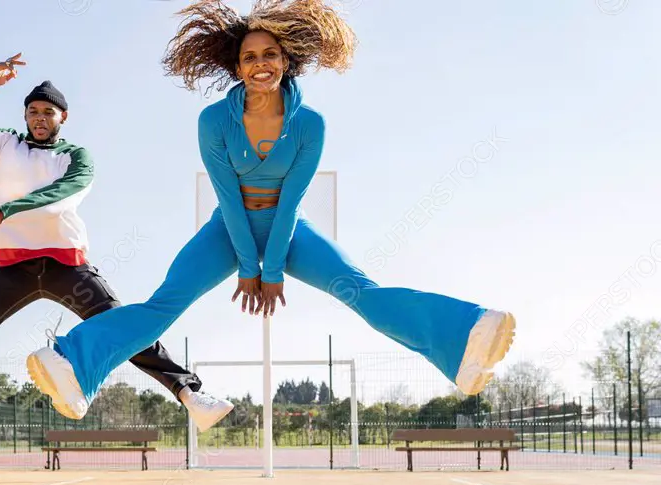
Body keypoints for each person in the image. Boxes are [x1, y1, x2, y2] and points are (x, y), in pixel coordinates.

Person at [27, 1, 516, 421]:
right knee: (163, 306)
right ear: (236, 67)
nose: (260, 64)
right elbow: (227, 197)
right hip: (228, 229)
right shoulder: (214, 120)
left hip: (288, 229)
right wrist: (247, 266)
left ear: (287, 60)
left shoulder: (310, 125)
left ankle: (464, 338)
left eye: (269, 55)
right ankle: (71, 361)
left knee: (361, 292)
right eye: (249, 57)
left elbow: (291, 201)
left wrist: (273, 270)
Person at [0, 53, 233, 447]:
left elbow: (59, 196)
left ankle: (190, 394)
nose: (39, 117)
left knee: (124, 328)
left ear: (62, 117)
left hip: (66, 266)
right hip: (12, 270)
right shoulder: (4, 147)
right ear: (25, 115)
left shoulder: (76, 157)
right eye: (32, 110)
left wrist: (2, 213)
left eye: (48, 111)